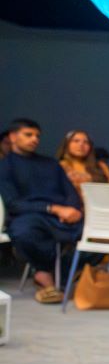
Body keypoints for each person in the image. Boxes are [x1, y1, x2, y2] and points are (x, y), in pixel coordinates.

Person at [0, 118, 83, 304]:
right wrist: (53, 209)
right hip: (29, 216)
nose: (34, 139)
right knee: (24, 232)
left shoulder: (50, 164)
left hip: (63, 218)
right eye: (28, 135)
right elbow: (13, 204)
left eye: (37, 135)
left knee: (101, 237)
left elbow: (69, 192)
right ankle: (44, 274)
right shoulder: (5, 167)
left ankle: (61, 275)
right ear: (13, 137)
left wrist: (73, 210)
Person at [55, 129, 109, 196]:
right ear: (67, 144)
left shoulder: (101, 166)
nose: (81, 145)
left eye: (86, 142)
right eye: (76, 141)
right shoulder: (58, 166)